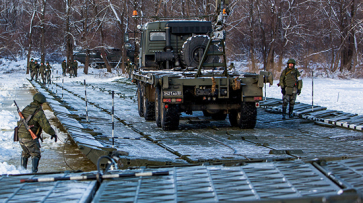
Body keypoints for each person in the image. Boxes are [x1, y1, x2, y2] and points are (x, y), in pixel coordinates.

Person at [17, 93, 57, 173]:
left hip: (20, 136)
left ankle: (22, 171)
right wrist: (53, 133)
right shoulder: (39, 112)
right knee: (36, 153)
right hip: (29, 137)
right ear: (41, 103)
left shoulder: (26, 108)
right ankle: (34, 173)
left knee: (26, 152)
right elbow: (46, 126)